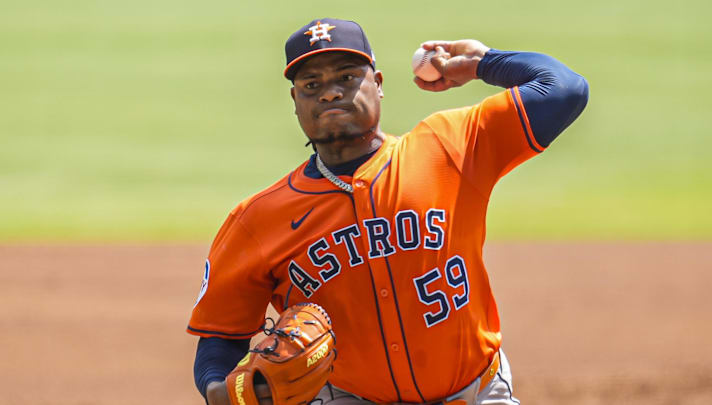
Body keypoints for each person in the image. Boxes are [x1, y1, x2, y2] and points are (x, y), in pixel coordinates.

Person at [188, 18, 588, 405]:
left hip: (475, 393)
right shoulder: (258, 220)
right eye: (312, 85)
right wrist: (214, 388)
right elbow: (221, 336)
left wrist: (484, 62)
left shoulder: (448, 147)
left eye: (346, 77)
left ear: (377, 85)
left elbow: (565, 90)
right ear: (296, 102)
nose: (330, 93)